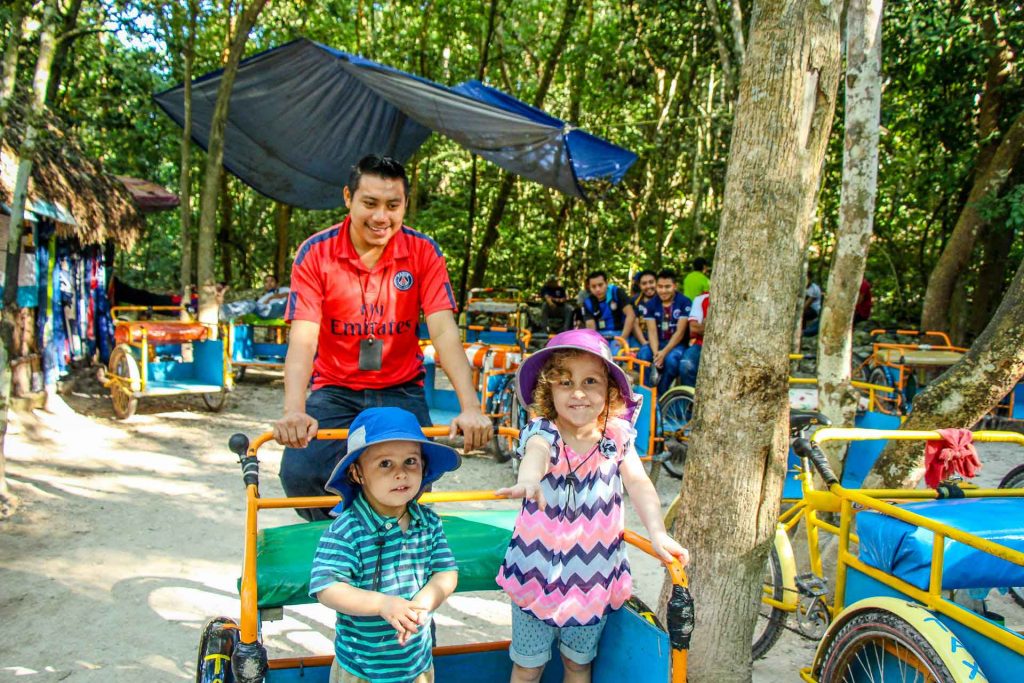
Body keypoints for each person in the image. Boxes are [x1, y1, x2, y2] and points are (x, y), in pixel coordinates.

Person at [274, 154, 492, 520]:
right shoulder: (316, 253)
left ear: (406, 204)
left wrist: (470, 407)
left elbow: (443, 330)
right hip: (335, 388)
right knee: (299, 475)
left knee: (409, 481)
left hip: (400, 387)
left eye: (393, 205)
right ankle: (340, 541)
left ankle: (392, 551)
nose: (381, 217)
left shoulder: (423, 251)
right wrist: (294, 410)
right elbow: (303, 339)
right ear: (348, 197)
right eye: (370, 203)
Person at [495, 329, 689, 682]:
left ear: (610, 389)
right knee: (527, 666)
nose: (579, 393)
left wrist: (658, 534)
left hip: (592, 580)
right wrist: (528, 480)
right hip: (535, 574)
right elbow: (536, 455)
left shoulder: (616, 436)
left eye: (591, 381)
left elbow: (639, 482)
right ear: (548, 390)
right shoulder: (544, 431)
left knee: (578, 664)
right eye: (565, 383)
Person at [310, 407, 460, 683]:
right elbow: (328, 588)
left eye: (410, 462)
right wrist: (382, 604)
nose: (401, 473)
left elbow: (445, 572)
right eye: (385, 464)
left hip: (416, 665)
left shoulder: (428, 522)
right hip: (361, 670)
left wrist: (421, 605)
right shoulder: (347, 530)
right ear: (357, 473)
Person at [637, 270, 691, 394]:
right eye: (660, 287)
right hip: (657, 343)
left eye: (667, 287)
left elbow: (680, 332)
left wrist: (664, 353)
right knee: (644, 355)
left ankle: (661, 395)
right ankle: (648, 393)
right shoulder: (651, 304)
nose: (663, 290)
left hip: (677, 344)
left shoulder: (684, 302)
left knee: (671, 360)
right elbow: (652, 332)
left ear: (675, 286)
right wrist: (657, 354)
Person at [581, 271, 636, 355]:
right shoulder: (587, 302)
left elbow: (630, 315)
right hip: (600, 336)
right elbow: (590, 326)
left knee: (615, 356)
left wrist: (623, 339)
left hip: (620, 333)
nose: (597, 289)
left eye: (600, 285)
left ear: (606, 283)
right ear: (589, 287)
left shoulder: (617, 292)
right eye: (593, 286)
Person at [678, 291, 708, 388]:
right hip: (701, 344)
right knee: (686, 365)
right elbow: (694, 328)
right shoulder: (702, 298)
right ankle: (690, 400)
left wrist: (705, 324)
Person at [630, 270, 657, 349]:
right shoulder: (635, 301)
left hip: (660, 338)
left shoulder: (663, 299)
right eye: (644, 284)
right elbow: (634, 323)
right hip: (640, 338)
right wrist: (644, 343)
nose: (648, 286)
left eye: (651, 282)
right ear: (639, 285)